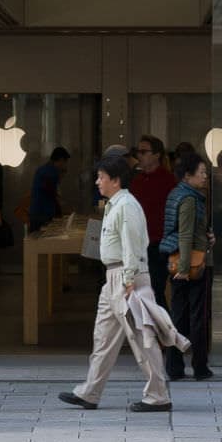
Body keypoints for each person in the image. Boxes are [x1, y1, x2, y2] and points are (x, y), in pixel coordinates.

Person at [61, 148, 170, 413]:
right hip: (114, 277)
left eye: (101, 177)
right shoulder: (116, 205)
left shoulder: (127, 206)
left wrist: (129, 280)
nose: (97, 182)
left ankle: (158, 395)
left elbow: (132, 246)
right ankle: (90, 392)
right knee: (104, 337)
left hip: (126, 277)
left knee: (141, 338)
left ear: (116, 180)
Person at [166, 149, 215, 382]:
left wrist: (207, 237)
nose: (205, 177)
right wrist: (185, 269)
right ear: (188, 175)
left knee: (180, 315)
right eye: (202, 172)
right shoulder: (189, 199)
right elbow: (185, 235)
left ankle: (176, 366)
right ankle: (198, 365)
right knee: (195, 316)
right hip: (189, 267)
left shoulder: (180, 194)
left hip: (184, 262)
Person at [129, 136, 175, 313]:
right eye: (137, 152)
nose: (139, 156)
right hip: (138, 244)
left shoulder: (168, 181)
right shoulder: (137, 181)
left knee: (155, 290)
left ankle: (166, 334)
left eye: (144, 151)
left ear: (157, 155)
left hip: (158, 244)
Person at [28, 146, 70, 230]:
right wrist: (63, 213)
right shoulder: (51, 172)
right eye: (65, 162)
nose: (65, 165)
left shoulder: (42, 169)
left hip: (37, 213)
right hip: (43, 214)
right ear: (61, 160)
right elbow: (53, 194)